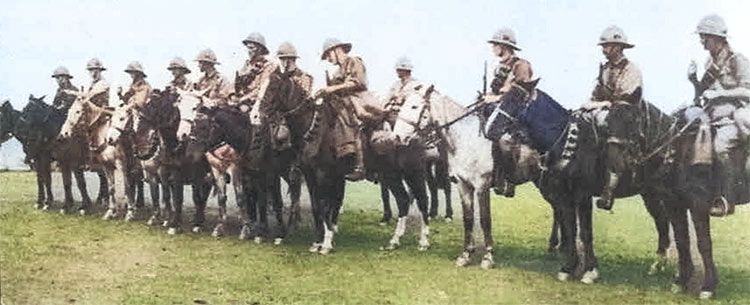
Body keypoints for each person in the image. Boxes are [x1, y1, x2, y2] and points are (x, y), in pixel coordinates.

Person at [686, 14, 750, 215]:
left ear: (718, 38)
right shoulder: (709, 64)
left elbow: (748, 92)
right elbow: (702, 95)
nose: (702, 42)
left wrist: (721, 93)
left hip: (735, 117)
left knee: (720, 145)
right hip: (712, 118)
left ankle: (727, 200)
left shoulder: (736, 60)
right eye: (702, 38)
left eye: (705, 37)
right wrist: (693, 80)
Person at [583, 25, 643, 211]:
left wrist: (602, 105)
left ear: (618, 47)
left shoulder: (631, 69)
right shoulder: (605, 68)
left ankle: (609, 189)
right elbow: (596, 93)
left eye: (607, 46)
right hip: (606, 109)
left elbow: (626, 96)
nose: (604, 49)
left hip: (626, 114)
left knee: (613, 139)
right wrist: (591, 104)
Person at [482, 28, 534, 196]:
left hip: (516, 113)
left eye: (495, 45)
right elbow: (495, 90)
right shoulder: (500, 67)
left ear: (504, 46)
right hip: (499, 110)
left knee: (504, 141)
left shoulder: (521, 65)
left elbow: (521, 92)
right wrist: (487, 96)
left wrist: (497, 98)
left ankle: (508, 178)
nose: (493, 48)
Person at [314, 38, 373, 181]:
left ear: (337, 50)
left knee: (349, 119)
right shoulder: (337, 71)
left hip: (356, 100)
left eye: (328, 55)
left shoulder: (354, 61)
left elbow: (359, 82)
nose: (328, 59)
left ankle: (359, 165)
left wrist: (332, 88)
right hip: (339, 101)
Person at [384, 57, 421, 127]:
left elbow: (413, 103)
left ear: (406, 71)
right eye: (397, 69)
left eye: (399, 70)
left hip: (406, 115)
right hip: (393, 112)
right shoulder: (396, 84)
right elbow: (387, 98)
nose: (397, 71)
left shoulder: (415, 85)